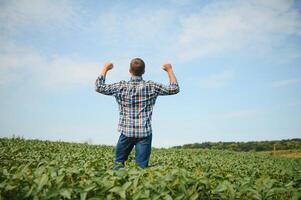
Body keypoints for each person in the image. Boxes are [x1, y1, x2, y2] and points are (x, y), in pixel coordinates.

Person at [95, 58, 179, 169]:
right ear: (143, 72)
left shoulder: (120, 87)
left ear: (129, 70)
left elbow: (99, 87)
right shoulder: (151, 86)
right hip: (144, 133)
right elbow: (174, 88)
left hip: (126, 132)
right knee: (141, 169)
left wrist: (105, 68)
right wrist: (169, 69)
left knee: (119, 164)